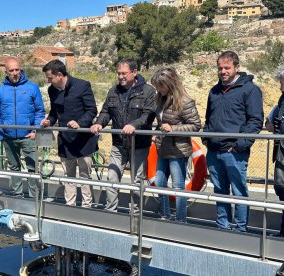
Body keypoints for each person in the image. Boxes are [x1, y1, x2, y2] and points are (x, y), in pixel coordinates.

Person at [203, 51, 264, 232]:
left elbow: (255, 121)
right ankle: (222, 226)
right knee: (220, 191)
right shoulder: (214, 91)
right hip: (214, 151)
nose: (223, 71)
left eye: (227, 68)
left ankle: (240, 229)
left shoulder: (250, 90)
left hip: (234, 152)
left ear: (237, 67)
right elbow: (208, 119)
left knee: (239, 192)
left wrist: (239, 145)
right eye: (220, 68)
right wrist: (206, 138)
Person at [90, 59, 156, 212]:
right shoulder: (113, 91)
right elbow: (106, 111)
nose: (120, 76)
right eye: (118, 73)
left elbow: (148, 114)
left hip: (138, 145)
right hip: (119, 144)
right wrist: (99, 123)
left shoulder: (147, 91)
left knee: (137, 180)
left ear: (134, 72)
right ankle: (110, 211)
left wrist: (134, 125)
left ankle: (135, 214)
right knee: (112, 177)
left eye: (124, 73)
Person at [41, 60, 98, 208]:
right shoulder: (52, 90)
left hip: (83, 140)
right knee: (69, 176)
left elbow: (92, 110)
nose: (48, 80)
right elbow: (54, 112)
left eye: (49, 77)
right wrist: (49, 121)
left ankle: (87, 207)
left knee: (85, 176)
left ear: (59, 75)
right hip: (65, 140)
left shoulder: (82, 85)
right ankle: (70, 206)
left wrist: (80, 123)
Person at [150, 67, 201, 222]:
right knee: (159, 181)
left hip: (178, 150)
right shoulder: (160, 98)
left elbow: (195, 125)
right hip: (162, 147)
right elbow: (160, 121)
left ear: (170, 84)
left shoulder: (185, 101)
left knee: (178, 186)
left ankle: (180, 220)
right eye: (157, 86)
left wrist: (173, 129)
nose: (158, 89)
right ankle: (165, 214)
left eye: (161, 86)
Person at [0, 58, 46, 198]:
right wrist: (0, 134)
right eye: (11, 70)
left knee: (32, 167)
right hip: (9, 137)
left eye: (17, 69)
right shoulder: (0, 91)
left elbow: (40, 111)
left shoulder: (32, 87)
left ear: (21, 70)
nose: (15, 73)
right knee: (14, 167)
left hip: (28, 136)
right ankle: (18, 195)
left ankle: (34, 197)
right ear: (6, 72)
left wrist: (35, 131)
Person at [265, 64, 284, 237]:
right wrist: (272, 126)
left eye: (282, 82)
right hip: (281, 154)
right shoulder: (281, 101)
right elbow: (268, 122)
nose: (280, 86)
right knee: (282, 190)